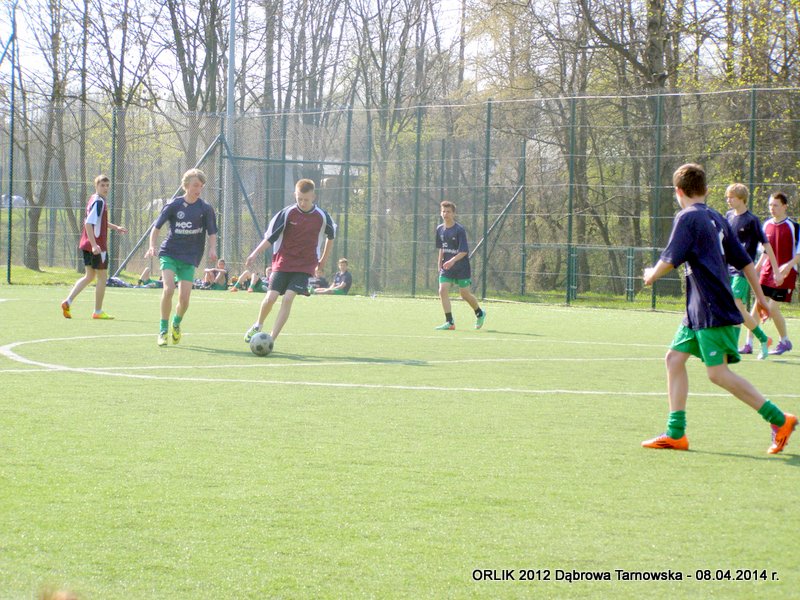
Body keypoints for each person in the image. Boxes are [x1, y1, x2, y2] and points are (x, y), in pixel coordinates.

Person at [641, 163, 796, 454]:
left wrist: (651, 275)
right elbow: (746, 262)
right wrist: (761, 299)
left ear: (678, 191)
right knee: (674, 359)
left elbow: (671, 258)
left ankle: (779, 419)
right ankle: (676, 434)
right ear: (706, 190)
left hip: (712, 306)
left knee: (718, 373)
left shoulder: (687, 216)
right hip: (698, 309)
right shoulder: (717, 217)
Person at [243, 179, 336, 347]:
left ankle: (271, 339)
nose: (303, 202)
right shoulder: (287, 213)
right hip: (283, 261)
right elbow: (270, 238)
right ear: (295, 195)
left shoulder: (322, 216)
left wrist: (323, 260)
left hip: (305, 266)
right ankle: (258, 325)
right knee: (271, 298)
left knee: (288, 298)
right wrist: (254, 253)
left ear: (313, 197)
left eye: (306, 199)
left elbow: (331, 236)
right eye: (299, 199)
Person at [144, 168, 218, 346]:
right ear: (186, 185)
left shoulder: (205, 208)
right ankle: (163, 330)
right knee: (168, 289)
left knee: (184, 300)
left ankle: (176, 323)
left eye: (200, 186)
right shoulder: (174, 205)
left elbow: (212, 232)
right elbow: (156, 228)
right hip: (169, 253)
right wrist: (152, 246)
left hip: (190, 256)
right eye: (195, 185)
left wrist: (213, 249)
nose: (198, 189)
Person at [724, 183, 782, 359]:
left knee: (736, 305)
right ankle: (760, 339)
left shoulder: (752, 220)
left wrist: (776, 271)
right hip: (726, 269)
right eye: (727, 197)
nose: (728, 200)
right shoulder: (728, 216)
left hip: (742, 271)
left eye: (731, 197)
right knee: (735, 309)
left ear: (741, 198)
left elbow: (767, 246)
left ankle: (742, 344)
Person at [61, 174, 127, 319]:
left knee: (89, 276)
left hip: (86, 244)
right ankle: (97, 311)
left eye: (107, 185)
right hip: (96, 246)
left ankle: (68, 301)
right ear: (96, 186)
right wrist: (94, 244)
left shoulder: (94, 199)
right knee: (102, 277)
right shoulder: (99, 202)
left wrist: (116, 227)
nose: (105, 188)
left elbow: (98, 221)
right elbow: (88, 223)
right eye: (102, 185)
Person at [747, 192, 800, 356]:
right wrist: (755, 269)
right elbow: (765, 252)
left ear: (784, 206)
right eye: (770, 205)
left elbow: (799, 253)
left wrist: (787, 267)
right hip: (767, 272)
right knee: (757, 305)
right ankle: (748, 343)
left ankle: (784, 341)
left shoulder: (794, 227)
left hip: (786, 274)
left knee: (771, 307)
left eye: (775, 205)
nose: (772, 208)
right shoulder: (766, 225)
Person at [434, 201, 486, 330]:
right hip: (447, 268)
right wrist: (439, 263)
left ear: (454, 214)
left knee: (464, 294)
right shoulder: (439, 229)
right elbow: (441, 248)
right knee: (442, 290)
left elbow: (463, 251)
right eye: (443, 211)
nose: (445, 214)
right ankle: (450, 322)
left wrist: (452, 261)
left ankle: (480, 313)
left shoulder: (459, 230)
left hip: (461, 267)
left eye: (448, 212)